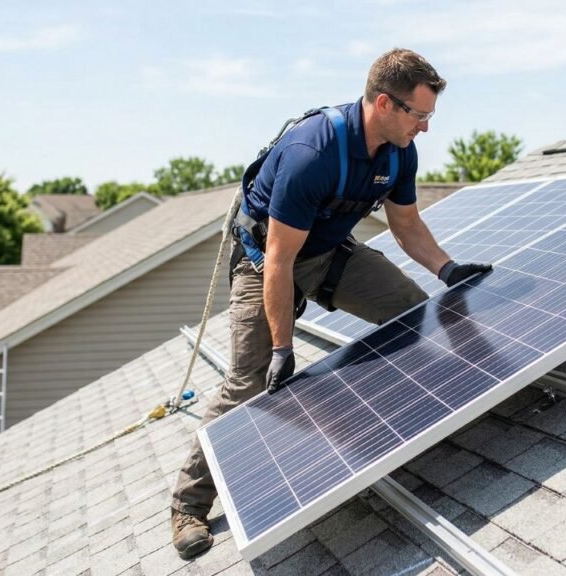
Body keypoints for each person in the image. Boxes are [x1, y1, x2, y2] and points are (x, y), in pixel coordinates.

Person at [169, 48, 492, 559]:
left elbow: (405, 225)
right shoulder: (313, 154)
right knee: (251, 379)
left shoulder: (399, 151)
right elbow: (277, 262)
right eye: (420, 114)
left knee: (411, 312)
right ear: (384, 104)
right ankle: (188, 504)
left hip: (328, 254)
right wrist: (281, 347)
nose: (426, 128)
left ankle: (400, 419)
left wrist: (448, 270)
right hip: (265, 264)